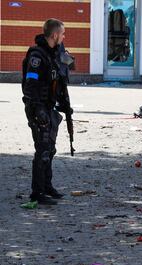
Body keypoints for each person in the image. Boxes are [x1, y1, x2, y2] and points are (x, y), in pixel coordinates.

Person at [22, 18, 74, 205]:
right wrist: (37, 110)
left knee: (50, 150)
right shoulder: (37, 56)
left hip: (48, 108)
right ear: (54, 35)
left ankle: (47, 186)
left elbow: (60, 78)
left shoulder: (53, 54)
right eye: (62, 33)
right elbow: (31, 84)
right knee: (42, 150)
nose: (64, 36)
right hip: (38, 109)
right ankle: (37, 193)